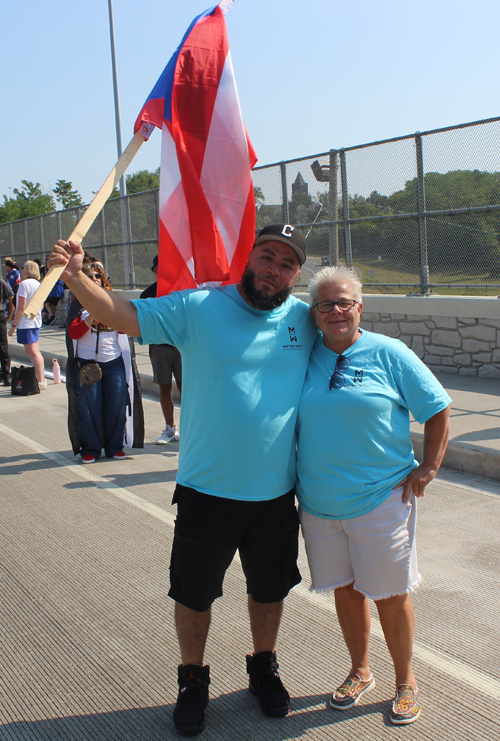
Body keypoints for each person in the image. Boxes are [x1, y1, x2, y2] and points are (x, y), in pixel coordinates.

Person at [48, 223, 316, 735]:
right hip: (206, 492)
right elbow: (120, 315)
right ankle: (192, 680)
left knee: (269, 590)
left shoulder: (305, 319)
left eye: (286, 263)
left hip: (276, 495)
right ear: (248, 257)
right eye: (267, 256)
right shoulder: (199, 307)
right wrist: (77, 277)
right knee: (194, 595)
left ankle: (264, 667)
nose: (274, 269)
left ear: (296, 274)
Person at [296, 265, 452, 726]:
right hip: (320, 503)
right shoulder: (304, 356)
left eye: (345, 302)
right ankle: (360, 671)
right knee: (345, 592)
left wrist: (428, 467)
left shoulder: (390, 353)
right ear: (314, 313)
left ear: (360, 308)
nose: (336, 310)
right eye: (326, 304)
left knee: (389, 593)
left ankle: (406, 681)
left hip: (382, 498)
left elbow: (438, 408)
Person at [65, 263, 144, 464]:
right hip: (87, 364)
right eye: (89, 276)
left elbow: (125, 329)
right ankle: (90, 449)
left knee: (116, 405)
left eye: (97, 276)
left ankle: (115, 446)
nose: (94, 279)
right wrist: (94, 314)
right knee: (89, 407)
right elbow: (73, 332)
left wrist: (113, 314)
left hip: (113, 362)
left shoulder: (113, 301)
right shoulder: (77, 302)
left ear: (103, 279)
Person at [140, 255, 182, 444]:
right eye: (160, 267)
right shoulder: (148, 294)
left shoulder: (182, 290)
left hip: (182, 346)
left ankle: (190, 429)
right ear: (155, 270)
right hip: (159, 346)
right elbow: (143, 321)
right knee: (164, 388)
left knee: (187, 389)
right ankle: (170, 429)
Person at [7, 260, 46, 390]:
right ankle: (40, 378)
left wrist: (13, 326)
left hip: (26, 323)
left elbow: (20, 307)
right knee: (35, 351)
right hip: (35, 321)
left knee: (32, 352)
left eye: (23, 268)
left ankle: (40, 380)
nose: (21, 270)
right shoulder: (38, 284)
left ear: (27, 270)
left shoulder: (24, 285)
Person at [0, 277, 14, 386]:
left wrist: (9, 314)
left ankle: (6, 375)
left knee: (3, 346)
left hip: (0, 314)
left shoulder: (1, 283)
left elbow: (11, 297)